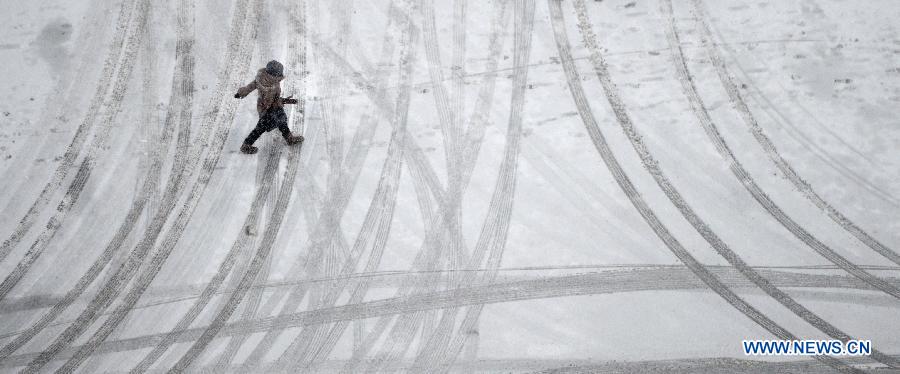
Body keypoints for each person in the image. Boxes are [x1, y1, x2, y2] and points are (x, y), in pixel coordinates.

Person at [234, 60, 303, 154]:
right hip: (265, 107)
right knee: (261, 127)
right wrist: (240, 93)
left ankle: (289, 138)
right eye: (279, 74)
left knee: (282, 119)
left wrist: (285, 100)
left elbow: (275, 97)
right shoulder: (261, 80)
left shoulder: (274, 81)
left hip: (275, 105)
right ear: (273, 74)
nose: (280, 76)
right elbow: (249, 87)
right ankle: (246, 145)